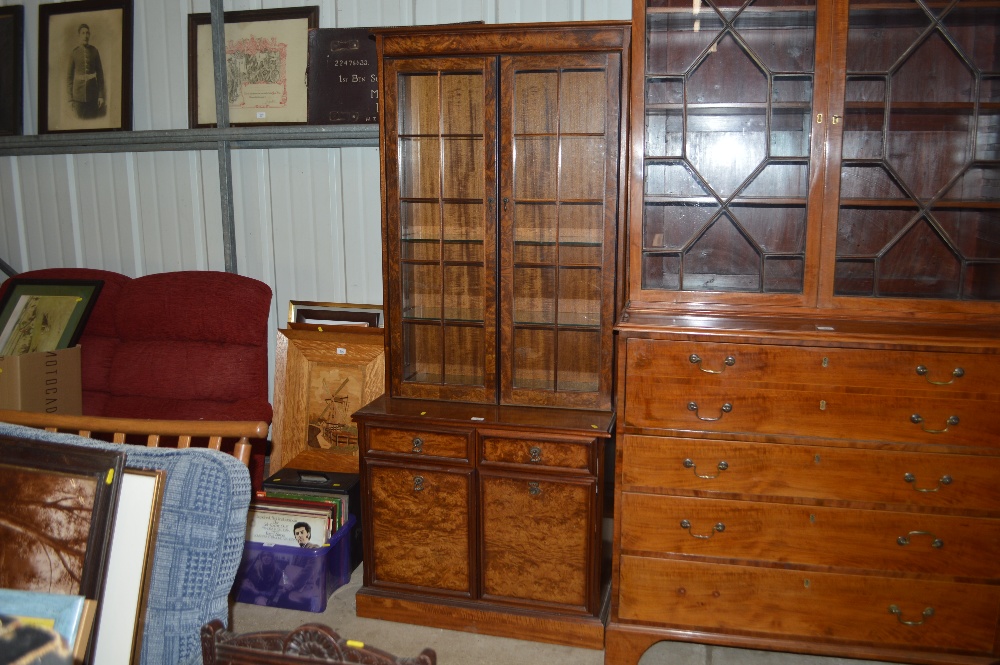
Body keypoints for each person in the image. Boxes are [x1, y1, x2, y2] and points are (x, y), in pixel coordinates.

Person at [66, 23, 105, 119]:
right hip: (78, 97)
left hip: (93, 95)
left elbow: (100, 74)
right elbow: (69, 77)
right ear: (79, 35)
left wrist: (100, 95)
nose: (85, 36)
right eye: (83, 33)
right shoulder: (74, 53)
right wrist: (70, 99)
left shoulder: (94, 51)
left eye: (87, 33)